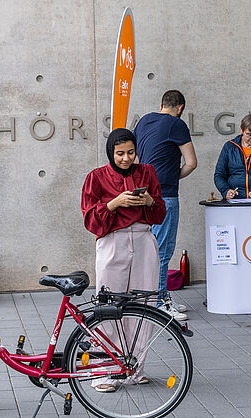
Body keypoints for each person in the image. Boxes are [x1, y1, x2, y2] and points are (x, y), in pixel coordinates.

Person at [81, 128, 166, 392]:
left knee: (144, 304)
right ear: (110, 153)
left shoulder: (147, 173)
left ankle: (134, 367)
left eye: (131, 152)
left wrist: (150, 200)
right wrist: (113, 203)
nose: (126, 158)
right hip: (112, 241)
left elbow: (160, 214)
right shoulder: (95, 177)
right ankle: (103, 373)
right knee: (109, 306)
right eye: (120, 153)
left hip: (143, 239)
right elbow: (90, 220)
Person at [134, 90, 197, 321]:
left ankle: (155, 297)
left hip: (143, 195)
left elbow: (137, 159)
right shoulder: (176, 124)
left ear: (161, 104)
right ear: (180, 108)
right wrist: (171, 176)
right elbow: (191, 163)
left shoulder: (143, 122)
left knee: (148, 249)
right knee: (162, 250)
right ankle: (159, 302)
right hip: (165, 195)